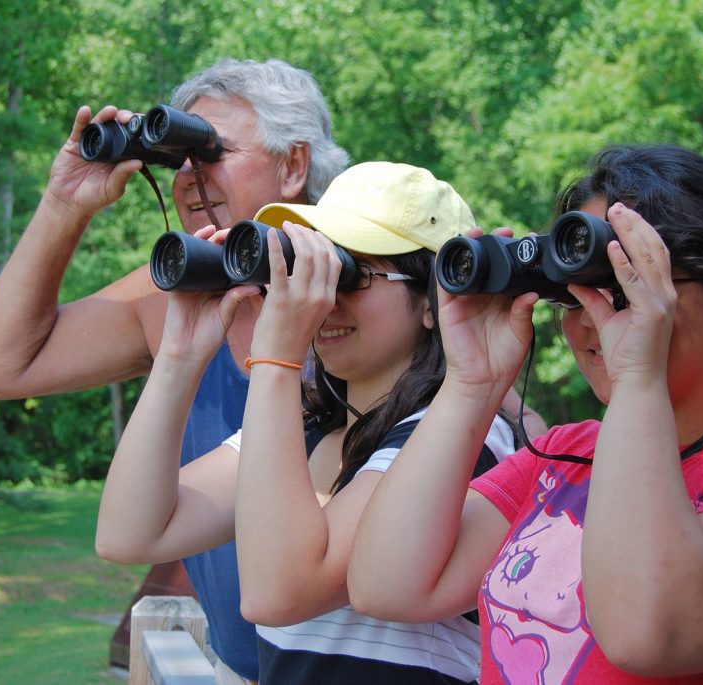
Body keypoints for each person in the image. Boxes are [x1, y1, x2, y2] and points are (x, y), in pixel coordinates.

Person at [348, 145, 703, 684]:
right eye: (573, 295)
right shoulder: (565, 455)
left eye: (630, 285)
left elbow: (648, 632)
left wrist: (639, 376)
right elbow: (387, 584)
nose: (594, 318)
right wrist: (471, 382)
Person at [0, 58, 350, 684]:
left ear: (294, 163)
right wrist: (66, 204)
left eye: (212, 152)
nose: (190, 179)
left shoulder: (370, 298)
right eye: (178, 159)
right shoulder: (176, 298)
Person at [96, 161, 518, 683]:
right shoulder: (309, 428)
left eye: (349, 274)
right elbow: (130, 532)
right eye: (306, 272)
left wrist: (276, 355)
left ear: (435, 300)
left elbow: (279, 592)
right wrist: (180, 356)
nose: (321, 300)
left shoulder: (461, 436)